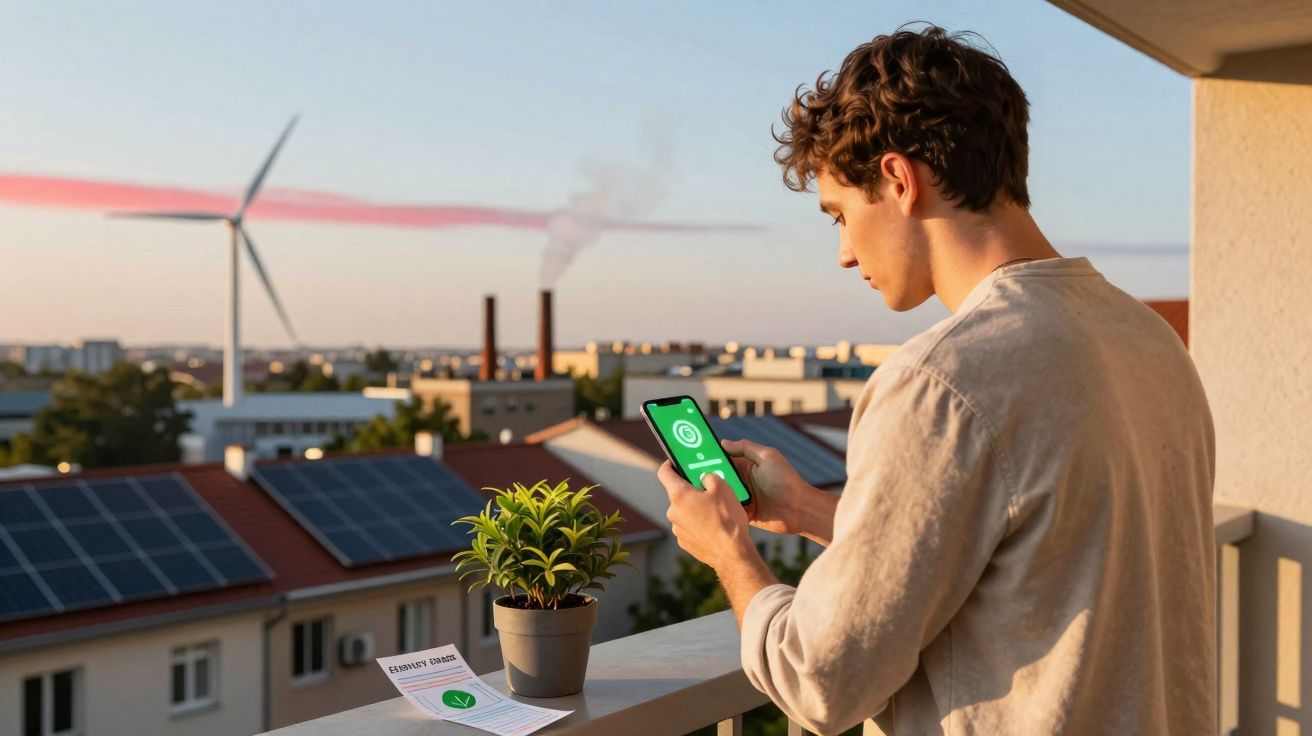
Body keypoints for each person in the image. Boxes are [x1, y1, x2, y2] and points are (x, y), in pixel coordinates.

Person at [656, 24, 1215, 735]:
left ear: (897, 180)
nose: (844, 255)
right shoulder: (1148, 339)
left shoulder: (940, 381)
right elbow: (1030, 552)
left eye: (841, 215)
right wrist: (801, 509)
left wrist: (728, 551)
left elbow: (820, 679)